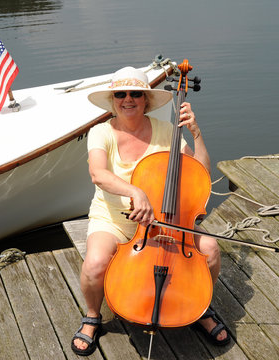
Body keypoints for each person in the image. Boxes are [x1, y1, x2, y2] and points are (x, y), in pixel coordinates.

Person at [71, 66, 230, 356]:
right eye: (120, 94)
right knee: (94, 265)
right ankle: (93, 316)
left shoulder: (168, 132)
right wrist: (135, 192)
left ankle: (201, 308)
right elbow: (98, 174)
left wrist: (196, 134)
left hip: (166, 222)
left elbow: (200, 174)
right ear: (112, 100)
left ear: (146, 100)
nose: (128, 99)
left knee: (210, 249)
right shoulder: (101, 132)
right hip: (114, 220)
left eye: (136, 94)